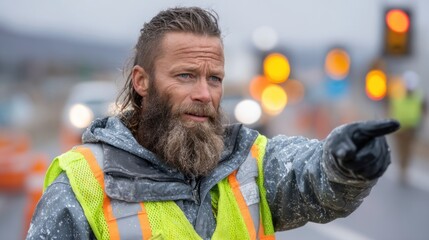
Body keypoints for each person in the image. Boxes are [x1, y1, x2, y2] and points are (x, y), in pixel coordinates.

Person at [26, 7, 399, 240]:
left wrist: (343, 162)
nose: (205, 94)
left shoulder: (247, 162)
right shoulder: (82, 185)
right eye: (186, 76)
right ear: (142, 81)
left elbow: (310, 176)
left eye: (214, 79)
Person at [388, 73, 426, 183]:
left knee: (408, 150)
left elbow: (423, 110)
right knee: (401, 150)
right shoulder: (397, 94)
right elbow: (391, 108)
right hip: (399, 128)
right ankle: (402, 168)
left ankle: (404, 169)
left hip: (411, 129)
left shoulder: (419, 97)